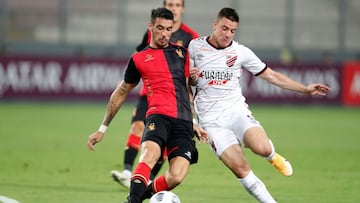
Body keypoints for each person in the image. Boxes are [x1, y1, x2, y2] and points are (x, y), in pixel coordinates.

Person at [188, 8, 331, 203]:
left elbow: (271, 75)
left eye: (232, 30)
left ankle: (272, 156)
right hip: (211, 122)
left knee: (261, 148)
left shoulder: (240, 52)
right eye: (224, 28)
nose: (227, 34)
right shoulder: (194, 48)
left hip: (236, 111)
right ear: (215, 25)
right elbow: (186, 84)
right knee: (240, 167)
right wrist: (192, 90)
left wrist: (304, 89)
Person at [87, 7, 206, 203]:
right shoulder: (138, 59)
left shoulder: (182, 53)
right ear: (151, 26)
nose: (164, 33)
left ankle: (139, 195)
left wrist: (194, 120)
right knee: (149, 155)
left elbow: (187, 89)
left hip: (183, 120)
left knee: (176, 175)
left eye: (168, 29)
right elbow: (121, 92)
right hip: (157, 116)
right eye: (160, 28)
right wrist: (102, 128)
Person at [111, 0, 199, 189]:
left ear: (182, 8)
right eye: (169, 4)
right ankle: (127, 171)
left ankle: (147, 180)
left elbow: (189, 78)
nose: (172, 8)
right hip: (148, 93)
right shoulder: (152, 32)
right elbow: (139, 57)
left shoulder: (190, 37)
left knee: (164, 143)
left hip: (174, 100)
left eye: (176, 4)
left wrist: (193, 116)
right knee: (137, 126)